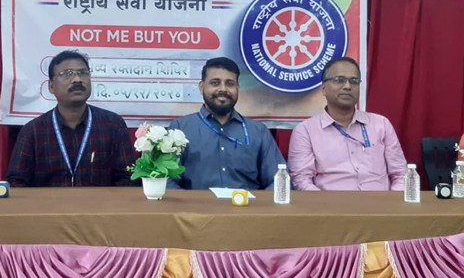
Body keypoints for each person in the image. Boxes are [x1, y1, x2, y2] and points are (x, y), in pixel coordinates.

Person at [6, 50, 135, 186]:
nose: (77, 79)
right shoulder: (33, 131)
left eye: (83, 73)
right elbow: (16, 182)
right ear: (51, 86)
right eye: (67, 73)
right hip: (50, 201)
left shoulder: (113, 125)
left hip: (101, 200)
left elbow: (129, 178)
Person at [288, 57, 407, 190]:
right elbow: (302, 180)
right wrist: (325, 202)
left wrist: (392, 201)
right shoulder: (306, 131)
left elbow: (401, 174)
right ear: (323, 89)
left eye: (354, 81)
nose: (347, 86)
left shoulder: (381, 124)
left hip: (380, 202)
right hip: (329, 202)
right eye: (339, 80)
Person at [169, 57, 284, 190]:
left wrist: (260, 203)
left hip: (247, 203)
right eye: (215, 83)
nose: (223, 89)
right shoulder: (180, 129)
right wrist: (192, 203)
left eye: (230, 84)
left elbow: (279, 181)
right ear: (201, 87)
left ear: (237, 88)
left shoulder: (258, 132)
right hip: (196, 204)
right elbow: (166, 180)